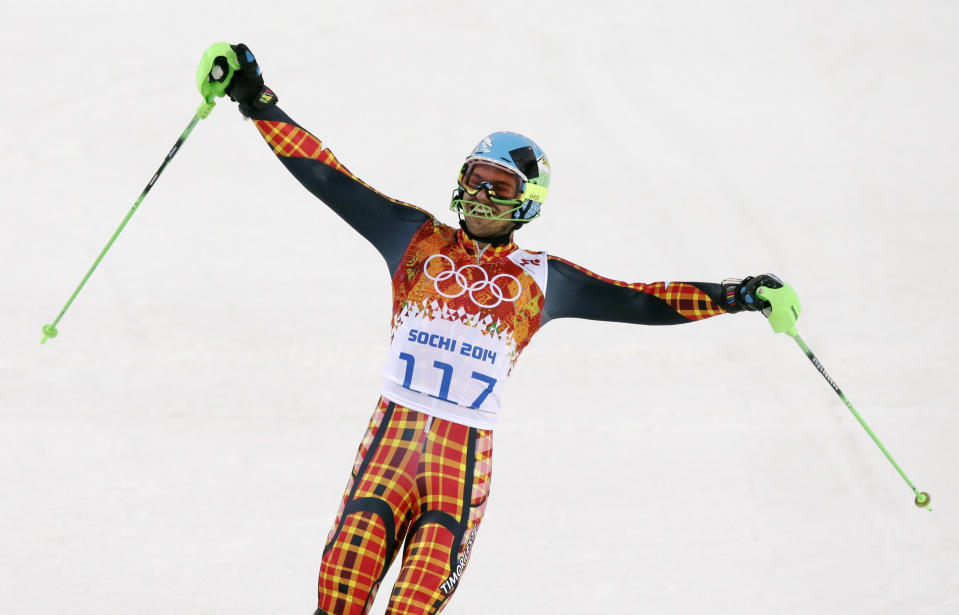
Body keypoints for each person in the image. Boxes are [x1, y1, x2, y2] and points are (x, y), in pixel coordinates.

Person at [199, 43, 793, 615]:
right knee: (337, 601)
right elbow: (329, 177)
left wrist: (736, 295)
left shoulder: (540, 280)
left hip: (456, 478)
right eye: (475, 179)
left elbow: (642, 302)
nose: (482, 195)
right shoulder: (414, 240)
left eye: (500, 186)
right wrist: (255, 98)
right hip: (386, 459)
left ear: (527, 201)